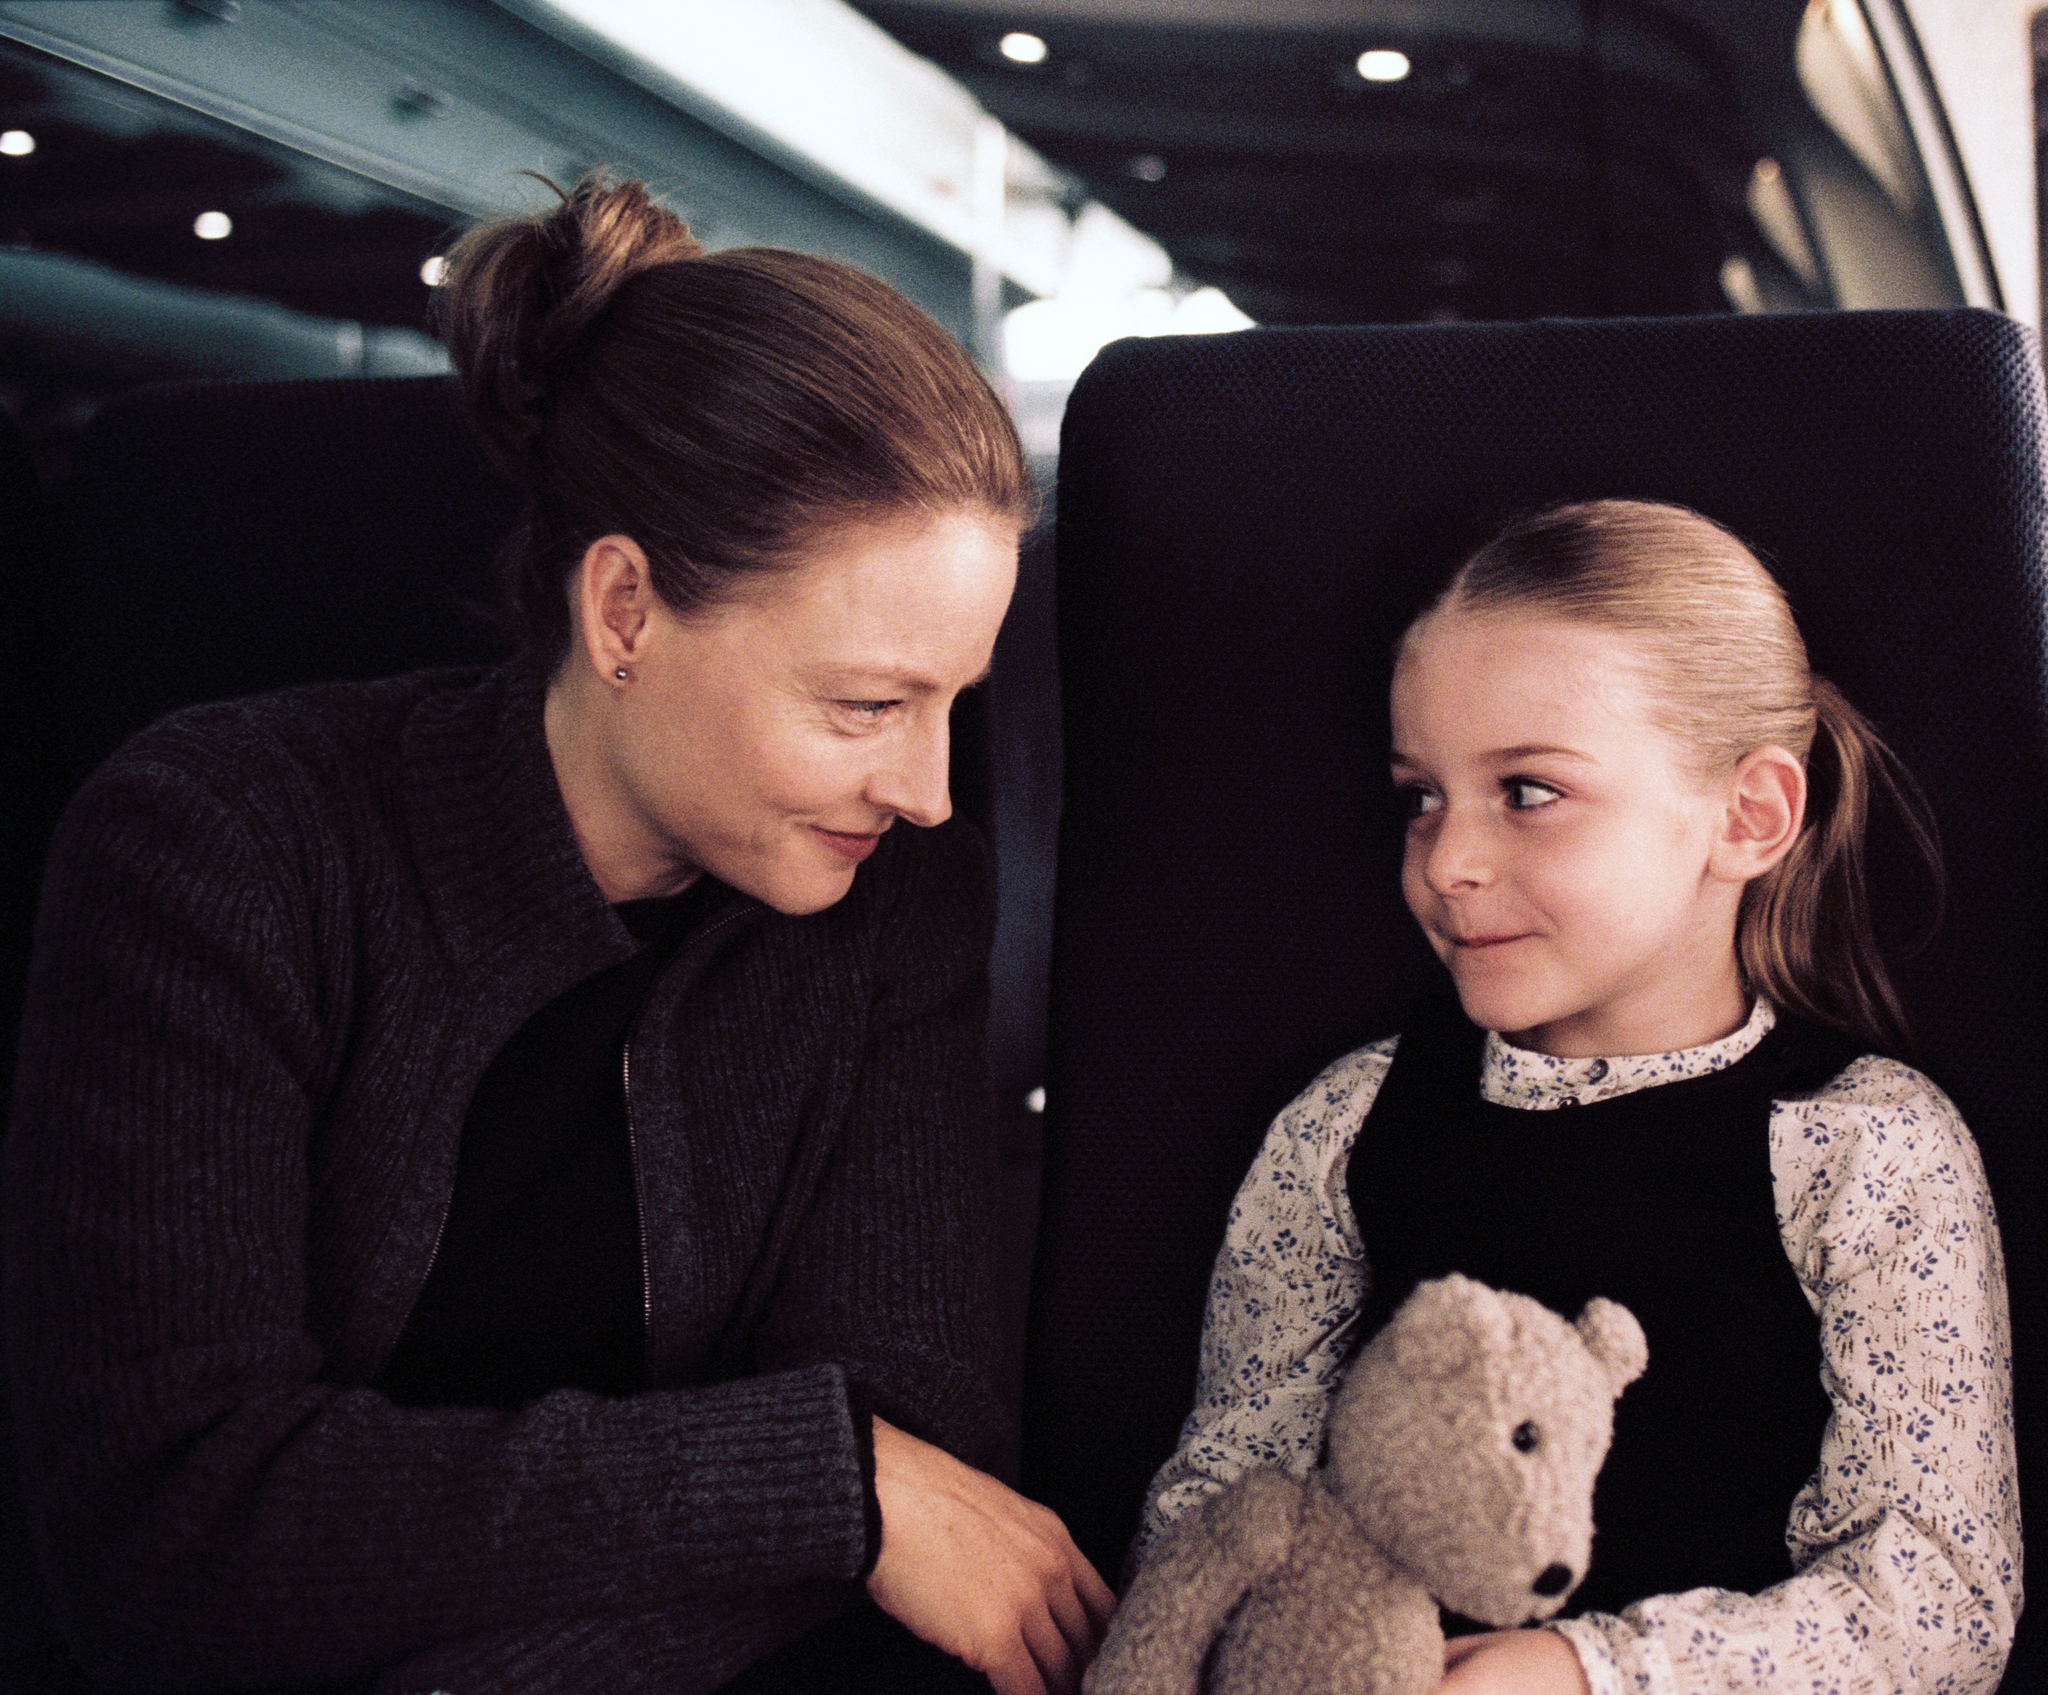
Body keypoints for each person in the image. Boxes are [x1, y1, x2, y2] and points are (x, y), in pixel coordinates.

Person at [4, 174, 1114, 1695]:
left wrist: (842, 1494)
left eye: (954, 705)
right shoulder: (220, 843)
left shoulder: (896, 903)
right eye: (866, 703)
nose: (927, 791)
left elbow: (926, 1455)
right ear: (625, 614)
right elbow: (174, 1533)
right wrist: (817, 1479)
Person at [1135, 500, 2019, 1694]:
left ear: (1746, 815)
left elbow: (1932, 1601)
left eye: (1529, 792)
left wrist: (1579, 1671)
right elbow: (1226, 1497)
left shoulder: (1861, 1149)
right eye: (1420, 796)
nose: (1446, 861)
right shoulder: (1345, 1127)